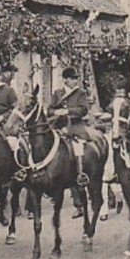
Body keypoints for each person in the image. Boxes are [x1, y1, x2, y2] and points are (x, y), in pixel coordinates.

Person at [50, 66, 93, 218]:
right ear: (65, 79)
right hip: (59, 128)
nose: (75, 81)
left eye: (76, 78)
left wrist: (67, 111)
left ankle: (81, 175)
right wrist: (55, 112)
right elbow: (50, 109)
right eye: (72, 78)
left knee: (78, 149)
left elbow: (83, 110)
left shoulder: (81, 93)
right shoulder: (57, 93)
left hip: (75, 127)